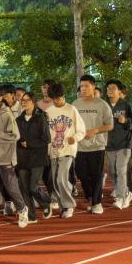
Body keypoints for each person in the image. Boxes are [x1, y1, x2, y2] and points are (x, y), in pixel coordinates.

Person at [0, 83, 29, 229]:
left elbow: (15, 135)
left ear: (0, 97)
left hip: (5, 159)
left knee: (11, 188)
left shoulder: (7, 114)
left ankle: (22, 209)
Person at [45, 82, 86, 219]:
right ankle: (62, 205)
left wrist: (75, 138)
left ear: (63, 96)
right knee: (55, 180)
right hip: (53, 150)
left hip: (68, 150)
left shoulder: (71, 109)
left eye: (58, 98)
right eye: (53, 99)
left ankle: (68, 205)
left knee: (62, 179)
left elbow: (81, 130)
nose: (56, 101)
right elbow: (46, 132)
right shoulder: (48, 111)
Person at [74, 75, 113, 215]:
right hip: (80, 147)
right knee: (82, 175)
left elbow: (110, 125)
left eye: (86, 86)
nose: (83, 89)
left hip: (97, 146)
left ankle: (97, 203)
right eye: (81, 86)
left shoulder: (102, 104)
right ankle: (90, 196)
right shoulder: (75, 105)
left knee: (96, 175)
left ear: (93, 87)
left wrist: (95, 130)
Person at [16, 91, 51, 222]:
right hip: (22, 158)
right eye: (22, 100)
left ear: (33, 102)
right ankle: (31, 216)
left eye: (27, 100)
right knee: (23, 188)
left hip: (37, 158)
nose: (24, 102)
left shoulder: (41, 117)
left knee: (33, 187)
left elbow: (46, 139)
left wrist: (29, 143)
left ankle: (46, 202)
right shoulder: (18, 120)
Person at [104, 79, 132, 210]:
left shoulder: (126, 105)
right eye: (108, 88)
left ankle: (122, 197)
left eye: (113, 88)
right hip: (109, 144)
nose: (110, 90)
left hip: (124, 144)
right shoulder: (104, 105)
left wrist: (126, 121)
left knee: (121, 170)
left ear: (119, 91)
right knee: (112, 171)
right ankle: (125, 192)